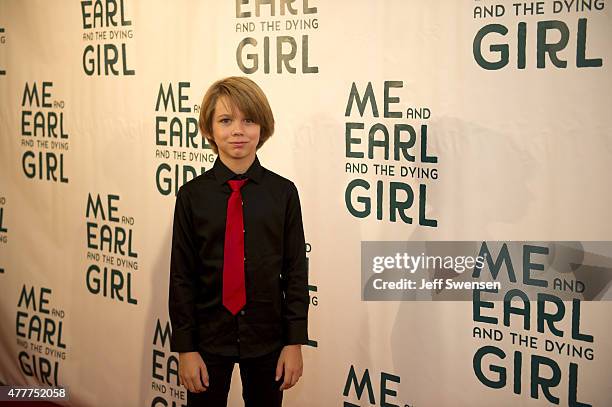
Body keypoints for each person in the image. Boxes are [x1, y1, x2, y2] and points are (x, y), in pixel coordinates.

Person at [168, 76, 309, 407]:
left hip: (268, 338)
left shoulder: (283, 194)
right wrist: (186, 349)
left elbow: (295, 271)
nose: (238, 131)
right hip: (207, 338)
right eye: (226, 120)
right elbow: (181, 277)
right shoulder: (191, 196)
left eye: (248, 120)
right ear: (209, 129)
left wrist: (294, 342)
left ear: (263, 127)